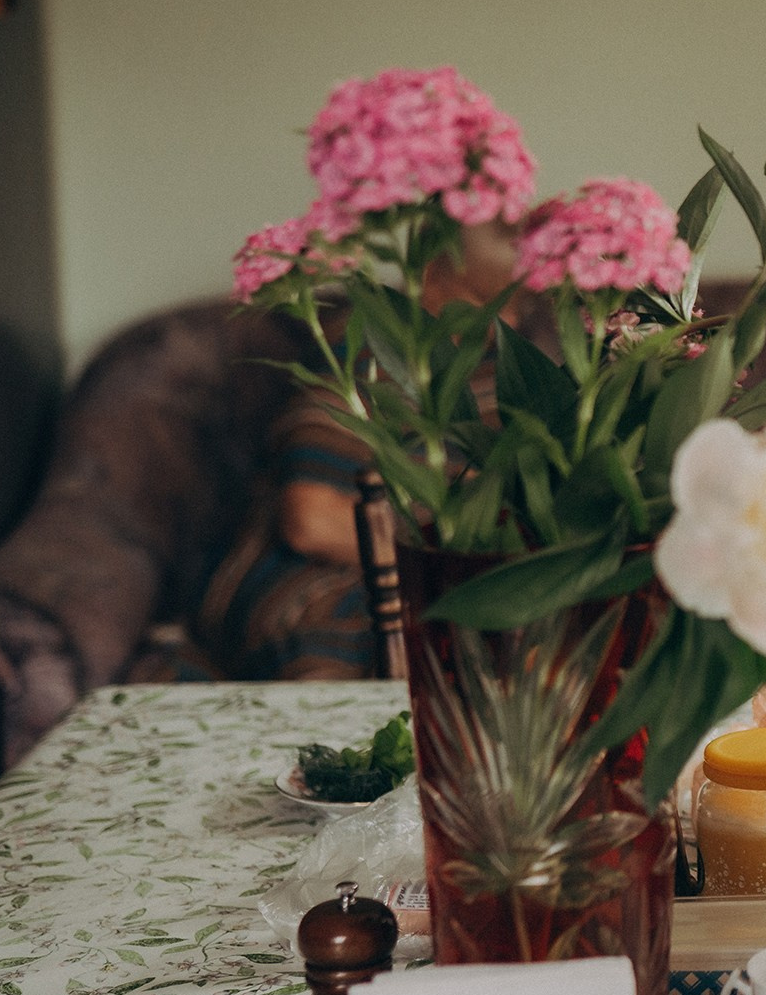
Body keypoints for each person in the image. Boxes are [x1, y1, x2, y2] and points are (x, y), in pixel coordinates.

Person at [130, 223, 531, 684]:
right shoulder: (370, 353)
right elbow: (310, 519)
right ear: (430, 280)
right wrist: (447, 561)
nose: (511, 323)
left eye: (517, 305)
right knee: (342, 670)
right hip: (319, 578)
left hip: (444, 585)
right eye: (484, 302)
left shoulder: (499, 373)